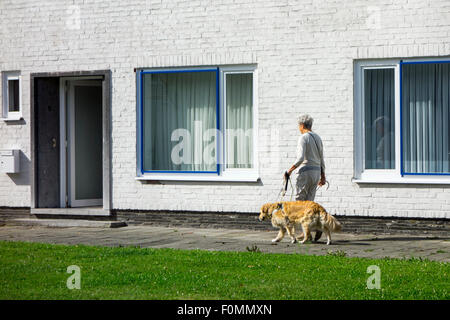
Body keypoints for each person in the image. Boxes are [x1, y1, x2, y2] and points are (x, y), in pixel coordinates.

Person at [285, 114, 326, 241]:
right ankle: (311, 230)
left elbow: (300, 158)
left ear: (302, 125)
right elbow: (321, 158)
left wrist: (289, 170)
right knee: (309, 204)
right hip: (315, 172)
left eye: (299, 126)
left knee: (299, 203)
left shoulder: (303, 138)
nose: (299, 128)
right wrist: (323, 175)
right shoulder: (318, 137)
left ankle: (311, 229)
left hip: (305, 172)